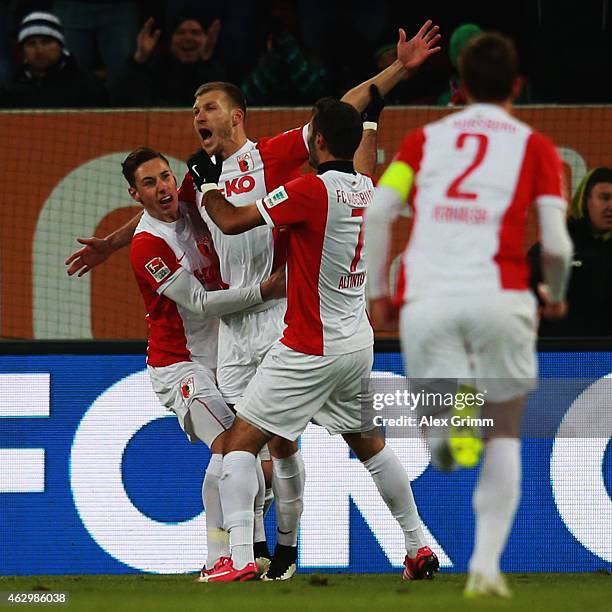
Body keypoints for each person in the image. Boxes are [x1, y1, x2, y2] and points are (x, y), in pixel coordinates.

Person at [65, 19, 441, 580]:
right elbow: (157, 216)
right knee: (273, 449)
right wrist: (111, 245)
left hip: (287, 320)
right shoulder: (196, 179)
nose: (200, 119)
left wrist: (395, 72)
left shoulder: (278, 156)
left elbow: (345, 107)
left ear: (236, 116)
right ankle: (271, 551)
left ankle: (270, 552)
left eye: (210, 109)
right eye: (195, 113)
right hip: (239, 333)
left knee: (269, 445)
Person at [192, 96, 438, 583]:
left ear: (318, 141)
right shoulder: (366, 188)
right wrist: (372, 119)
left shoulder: (309, 191)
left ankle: (239, 558)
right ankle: (418, 546)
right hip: (356, 344)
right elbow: (363, 159)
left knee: (239, 444)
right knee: (369, 445)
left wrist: (206, 184)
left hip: (309, 347)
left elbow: (232, 221)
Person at [364, 32, 573, 597]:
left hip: (428, 299)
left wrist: (378, 291)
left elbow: (381, 213)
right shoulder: (537, 149)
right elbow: (554, 244)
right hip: (501, 296)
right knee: (504, 433)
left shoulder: (424, 143)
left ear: (457, 88)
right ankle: (484, 566)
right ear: (518, 87)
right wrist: (552, 292)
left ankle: (445, 434)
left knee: (444, 436)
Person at [122, 146, 285, 576]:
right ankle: (226, 557)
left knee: (250, 464)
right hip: (180, 367)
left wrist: (106, 242)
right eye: (149, 184)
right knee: (234, 448)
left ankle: (237, 553)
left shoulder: (193, 202)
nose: (162, 189)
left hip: (224, 358)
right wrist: (264, 292)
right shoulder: (147, 247)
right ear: (134, 193)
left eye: (165, 177)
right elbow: (198, 300)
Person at [529, 166, 612, 336]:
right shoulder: (555, 245)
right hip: (559, 356)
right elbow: (521, 302)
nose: (611, 206)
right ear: (585, 200)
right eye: (604, 198)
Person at [112, 13, 225, 107]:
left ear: (207, 38)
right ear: (171, 41)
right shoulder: (156, 69)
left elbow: (221, 102)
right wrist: (139, 59)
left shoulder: (219, 69)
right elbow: (120, 97)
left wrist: (206, 61)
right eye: (181, 32)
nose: (188, 38)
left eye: (195, 33)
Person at [0, 10, 107, 108]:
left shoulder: (87, 85)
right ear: (23, 50)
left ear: (60, 45)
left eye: (46, 42)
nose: (39, 50)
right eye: (31, 44)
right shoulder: (10, 87)